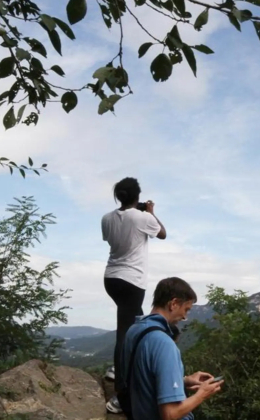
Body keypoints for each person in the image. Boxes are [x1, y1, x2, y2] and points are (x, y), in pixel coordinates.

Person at [102, 177, 167, 414]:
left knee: (136, 324)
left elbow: (112, 237)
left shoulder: (106, 218)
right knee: (126, 333)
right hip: (132, 281)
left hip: (111, 278)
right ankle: (121, 394)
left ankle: (121, 368)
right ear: (137, 196)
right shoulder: (143, 218)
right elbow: (162, 233)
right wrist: (150, 212)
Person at [119, 277, 223, 420]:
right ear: (173, 304)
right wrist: (202, 394)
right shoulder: (164, 343)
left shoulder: (135, 330)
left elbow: (144, 380)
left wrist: (183, 380)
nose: (184, 316)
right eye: (186, 309)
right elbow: (170, 414)